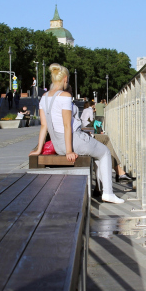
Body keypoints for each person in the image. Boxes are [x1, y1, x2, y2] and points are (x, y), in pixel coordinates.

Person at [29, 63, 123, 204]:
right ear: (65, 79)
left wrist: (38, 150)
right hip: (73, 141)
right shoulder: (65, 96)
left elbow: (44, 126)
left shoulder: (44, 97)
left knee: (98, 153)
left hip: (58, 144)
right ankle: (108, 192)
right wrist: (69, 151)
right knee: (105, 153)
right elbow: (67, 125)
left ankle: (102, 189)